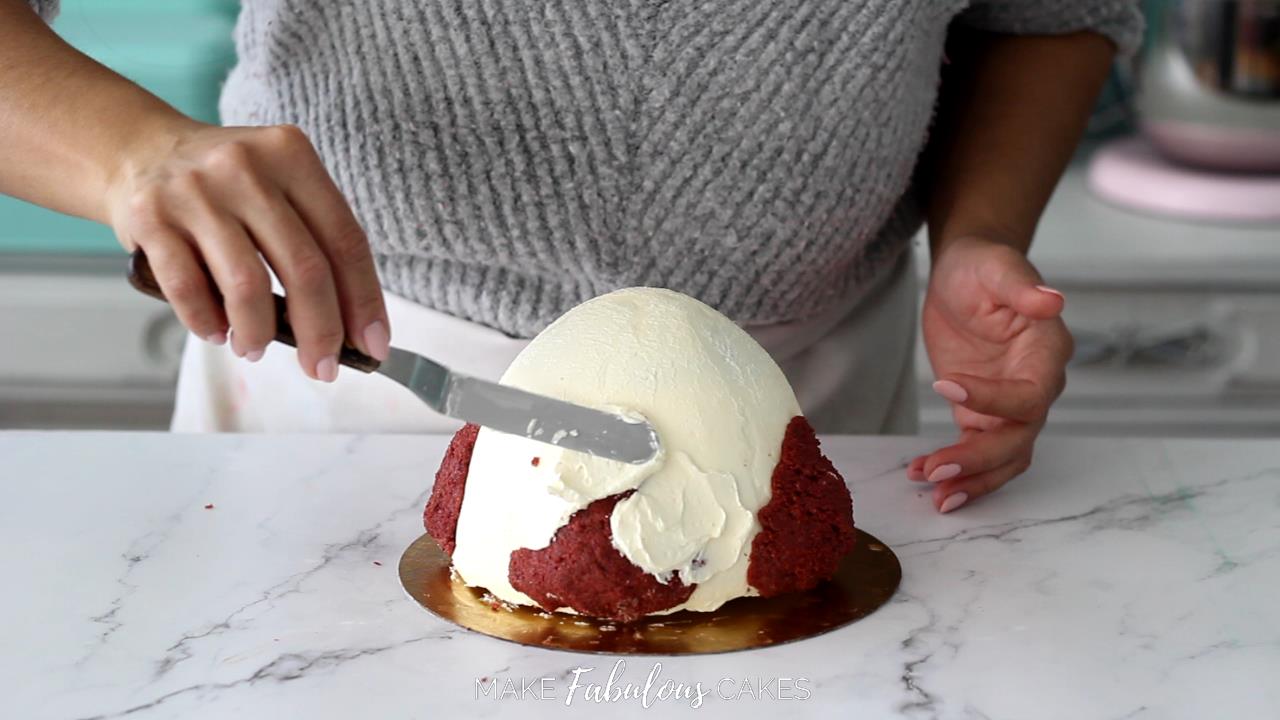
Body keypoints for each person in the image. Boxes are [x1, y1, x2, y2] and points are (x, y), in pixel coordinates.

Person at [0, 0, 1142, 513]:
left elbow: (1043, 15)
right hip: (356, 381)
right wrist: (128, 154)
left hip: (811, 389)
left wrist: (982, 234)